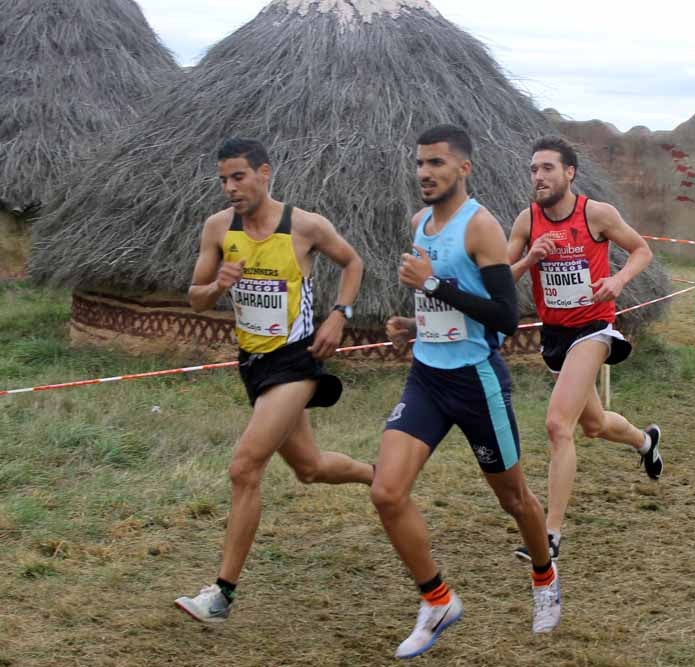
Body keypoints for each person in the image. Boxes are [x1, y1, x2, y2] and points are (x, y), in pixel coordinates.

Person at [372, 124, 559, 659]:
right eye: (421, 164)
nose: (426, 173)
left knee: (514, 498)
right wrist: (416, 325)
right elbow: (447, 304)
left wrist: (431, 284)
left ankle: (545, 578)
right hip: (427, 376)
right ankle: (437, 601)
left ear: (462, 169)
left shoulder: (482, 227)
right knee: (387, 492)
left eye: (436, 163)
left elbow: (503, 315)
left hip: (477, 381)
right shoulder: (420, 223)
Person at [175, 138, 374, 623]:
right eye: (223, 179)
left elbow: (352, 262)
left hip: (297, 362)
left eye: (239, 176)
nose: (230, 188)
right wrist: (218, 285)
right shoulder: (218, 228)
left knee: (244, 468)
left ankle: (222, 594)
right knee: (309, 467)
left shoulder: (304, 225)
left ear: (264, 173)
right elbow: (195, 299)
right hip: (253, 364)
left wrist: (338, 316)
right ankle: (381, 476)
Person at [507, 136, 662, 561]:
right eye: (534, 169)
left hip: (594, 329)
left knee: (559, 425)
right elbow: (500, 278)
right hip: (555, 335)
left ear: (569, 172)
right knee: (592, 425)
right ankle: (645, 442)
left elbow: (642, 251)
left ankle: (550, 535)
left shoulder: (596, 214)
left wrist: (617, 281)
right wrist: (529, 259)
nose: (538, 176)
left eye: (547, 168)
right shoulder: (527, 221)